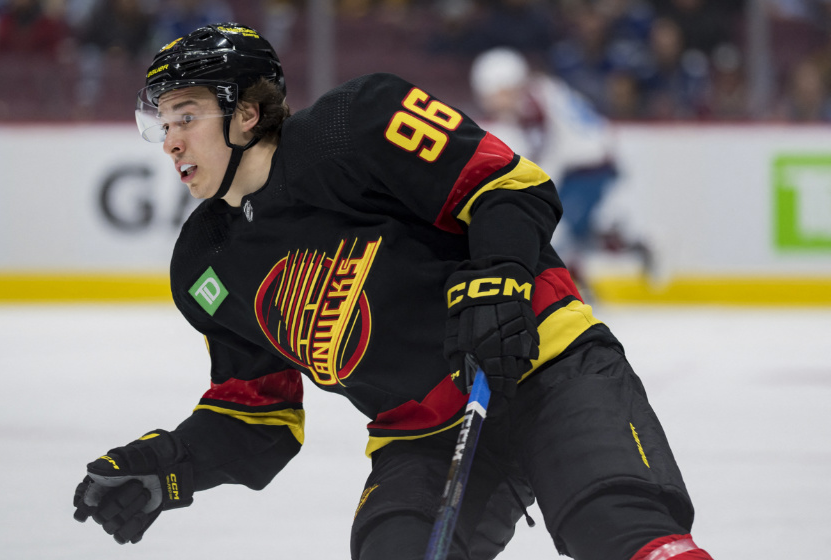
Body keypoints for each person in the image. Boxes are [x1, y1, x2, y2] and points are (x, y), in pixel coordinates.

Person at [72, 23, 715, 560]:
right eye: (162, 122)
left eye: (187, 116)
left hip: (547, 368)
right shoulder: (204, 265)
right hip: (420, 439)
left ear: (246, 113)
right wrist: (171, 462)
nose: (171, 141)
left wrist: (498, 277)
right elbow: (260, 418)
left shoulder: (354, 124)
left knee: (619, 531)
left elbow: (509, 186)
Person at [470, 46, 652, 290]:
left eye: (492, 94)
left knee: (556, 230)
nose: (489, 101)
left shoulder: (530, 106)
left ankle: (570, 288)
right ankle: (634, 247)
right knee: (577, 230)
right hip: (589, 163)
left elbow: (542, 155)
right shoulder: (538, 92)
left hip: (588, 166)